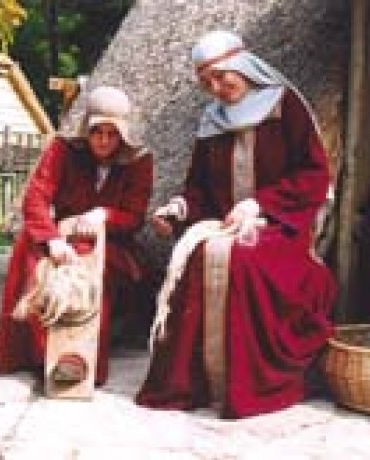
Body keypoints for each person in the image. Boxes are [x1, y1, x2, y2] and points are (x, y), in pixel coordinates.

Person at [134, 30, 337, 419]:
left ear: (242, 66)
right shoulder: (212, 121)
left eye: (221, 76)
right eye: (206, 81)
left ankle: (249, 386)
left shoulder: (284, 105)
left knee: (244, 261)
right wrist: (177, 209)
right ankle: (194, 384)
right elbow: (198, 189)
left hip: (281, 223)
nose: (216, 87)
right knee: (197, 259)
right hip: (226, 223)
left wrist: (259, 205)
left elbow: (313, 175)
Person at [0, 85, 155, 387]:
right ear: (86, 129)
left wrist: (104, 215)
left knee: (90, 270)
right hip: (62, 236)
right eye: (97, 132)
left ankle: (78, 357)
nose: (104, 141)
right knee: (30, 250)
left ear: (122, 134)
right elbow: (36, 198)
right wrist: (52, 239)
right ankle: (36, 354)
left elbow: (134, 217)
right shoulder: (62, 151)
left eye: (112, 133)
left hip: (111, 244)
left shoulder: (139, 163)